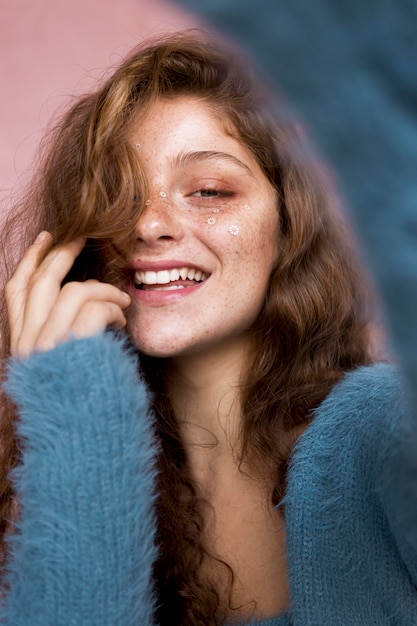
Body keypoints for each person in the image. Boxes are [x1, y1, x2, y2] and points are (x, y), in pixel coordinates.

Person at [0, 31, 415, 626]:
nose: (148, 224)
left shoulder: (388, 430)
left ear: (288, 226)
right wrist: (74, 415)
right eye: (118, 195)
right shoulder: (54, 464)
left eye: (209, 191)